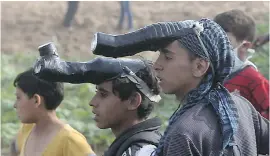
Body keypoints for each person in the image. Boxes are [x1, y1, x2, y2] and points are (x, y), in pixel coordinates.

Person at [90, 18, 269, 155]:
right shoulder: (240, 106)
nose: (156, 65)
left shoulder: (184, 133)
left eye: (168, 57)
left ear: (199, 66)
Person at [32, 42, 163, 156]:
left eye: (103, 94)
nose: (92, 102)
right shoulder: (129, 145)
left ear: (133, 101)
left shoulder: (141, 151)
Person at [10, 68, 96, 156]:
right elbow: (14, 146)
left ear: (36, 100)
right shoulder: (27, 129)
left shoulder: (70, 140)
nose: (15, 105)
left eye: (18, 98)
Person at [214, 9, 269, 119]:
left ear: (244, 47)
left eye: (225, 43)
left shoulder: (253, 78)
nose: (217, 48)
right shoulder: (211, 74)